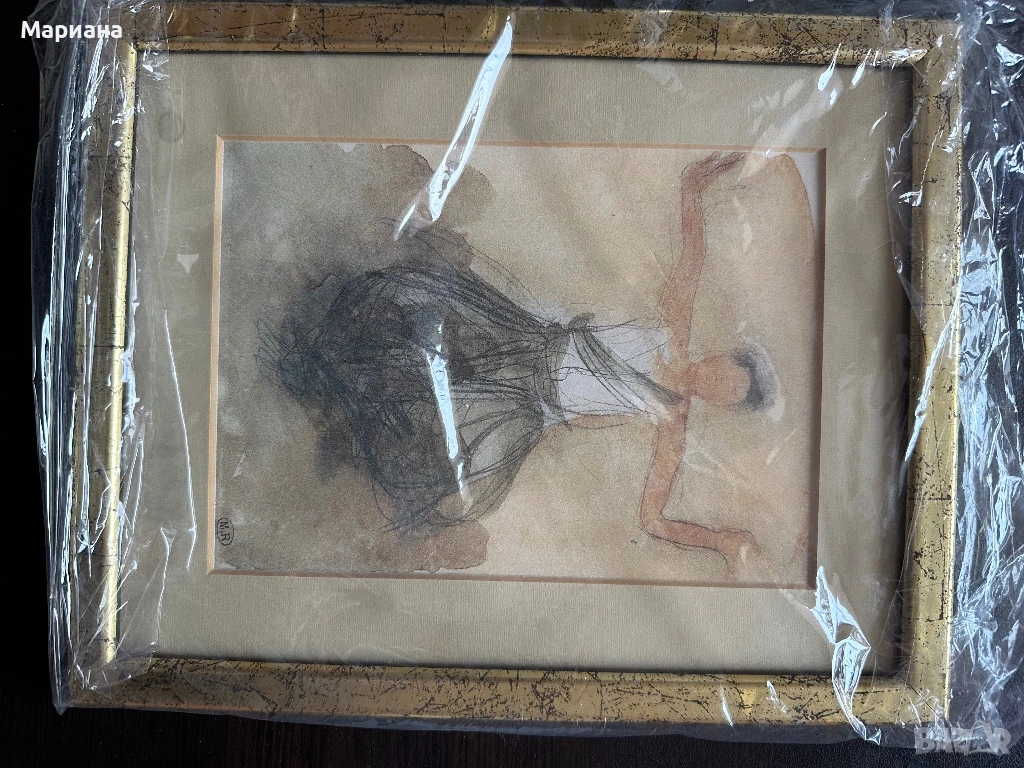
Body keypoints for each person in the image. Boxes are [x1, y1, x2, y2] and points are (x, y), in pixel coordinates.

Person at [268, 152, 775, 570]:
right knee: (425, 322)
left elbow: (652, 520)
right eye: (723, 372)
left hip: (527, 405)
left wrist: (719, 540)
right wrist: (694, 185)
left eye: (724, 392)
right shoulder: (675, 329)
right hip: (524, 341)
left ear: (718, 405)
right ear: (718, 356)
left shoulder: (672, 424)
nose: (712, 381)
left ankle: (328, 401)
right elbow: (692, 257)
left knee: (430, 422)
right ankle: (323, 344)